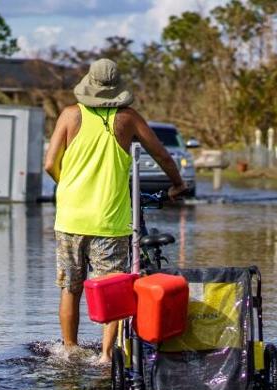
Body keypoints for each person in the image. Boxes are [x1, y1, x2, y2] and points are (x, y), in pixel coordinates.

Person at [43, 58, 188, 364]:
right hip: (109, 220)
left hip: (70, 218)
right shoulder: (128, 118)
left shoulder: (70, 115)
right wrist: (177, 184)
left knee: (70, 288)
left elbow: (49, 163)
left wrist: (68, 185)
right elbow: (162, 155)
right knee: (112, 290)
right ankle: (107, 357)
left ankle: (69, 350)